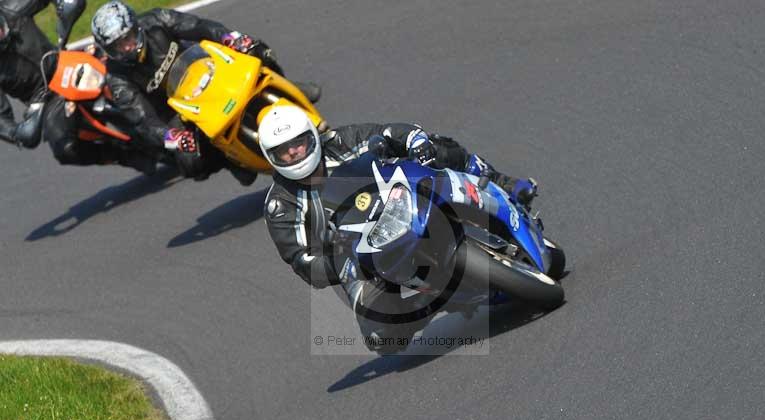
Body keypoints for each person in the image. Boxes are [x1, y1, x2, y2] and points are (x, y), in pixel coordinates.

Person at [258, 105, 537, 353]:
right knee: (381, 337)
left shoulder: (341, 141)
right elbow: (302, 260)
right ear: (271, 158)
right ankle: (431, 299)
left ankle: (504, 183)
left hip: (398, 202)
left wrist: (415, 141)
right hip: (358, 256)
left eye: (298, 143)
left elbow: (388, 133)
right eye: (283, 151)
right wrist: (336, 261)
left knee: (437, 147)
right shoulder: (281, 205)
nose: (294, 152)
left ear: (312, 137)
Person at [90, 0, 320, 183]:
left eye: (128, 38)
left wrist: (228, 37)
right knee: (190, 162)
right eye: (117, 46)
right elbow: (142, 119)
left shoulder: (157, 19)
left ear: (136, 28)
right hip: (180, 109)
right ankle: (231, 161)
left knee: (255, 48)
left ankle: (283, 85)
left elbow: (198, 26)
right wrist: (171, 137)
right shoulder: (116, 76)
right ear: (108, 50)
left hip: (207, 68)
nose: (127, 47)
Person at [0, 0, 57, 148]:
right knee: (64, 147)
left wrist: (63, 4)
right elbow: (1, 119)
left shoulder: (11, 7)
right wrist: (17, 132)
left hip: (63, 65)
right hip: (43, 101)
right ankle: (118, 155)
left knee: (107, 69)